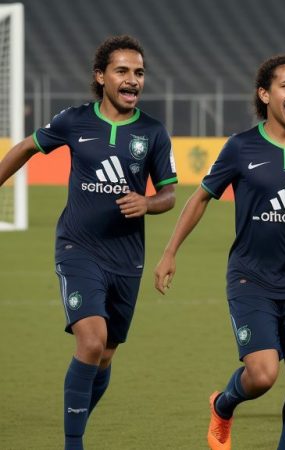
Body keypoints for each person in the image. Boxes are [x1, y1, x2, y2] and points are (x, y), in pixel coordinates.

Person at [153, 55, 285, 450]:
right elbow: (200, 199)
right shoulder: (241, 147)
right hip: (250, 278)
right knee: (261, 375)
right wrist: (170, 251)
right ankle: (224, 405)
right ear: (265, 94)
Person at [0, 35, 176, 450]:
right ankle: (73, 443)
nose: (132, 80)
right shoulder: (75, 120)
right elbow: (26, 147)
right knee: (92, 341)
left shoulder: (152, 133)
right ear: (101, 77)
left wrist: (147, 203)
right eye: (122, 71)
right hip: (78, 249)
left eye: (138, 73)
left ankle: (76, 417)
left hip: (127, 259)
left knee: (106, 354)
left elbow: (169, 195)